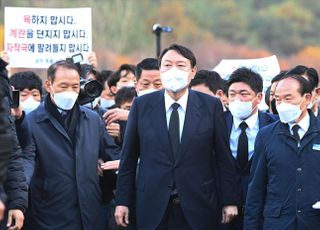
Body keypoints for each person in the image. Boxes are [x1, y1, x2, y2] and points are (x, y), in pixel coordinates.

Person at [114, 44, 239, 229]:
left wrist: (229, 200)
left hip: (198, 204)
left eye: (180, 65)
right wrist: (122, 201)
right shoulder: (142, 105)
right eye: (167, 65)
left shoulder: (210, 106)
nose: (173, 70)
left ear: (192, 71)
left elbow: (223, 157)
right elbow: (128, 158)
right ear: (160, 69)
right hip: (152, 203)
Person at [23, 60, 117, 229]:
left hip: (89, 214)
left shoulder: (93, 119)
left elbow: (111, 155)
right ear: (49, 85)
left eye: (75, 87)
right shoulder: (32, 123)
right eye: (63, 86)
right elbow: (25, 165)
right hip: (49, 215)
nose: (70, 92)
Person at [244, 74, 320, 229]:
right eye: (278, 99)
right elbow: (256, 188)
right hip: (278, 222)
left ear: (307, 98)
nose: (282, 104)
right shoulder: (266, 135)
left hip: (313, 220)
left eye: (288, 98)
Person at [221, 67, 278, 230]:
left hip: (263, 211)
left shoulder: (274, 125)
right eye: (232, 94)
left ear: (259, 97)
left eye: (244, 94)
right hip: (224, 212)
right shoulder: (217, 123)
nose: (237, 99)